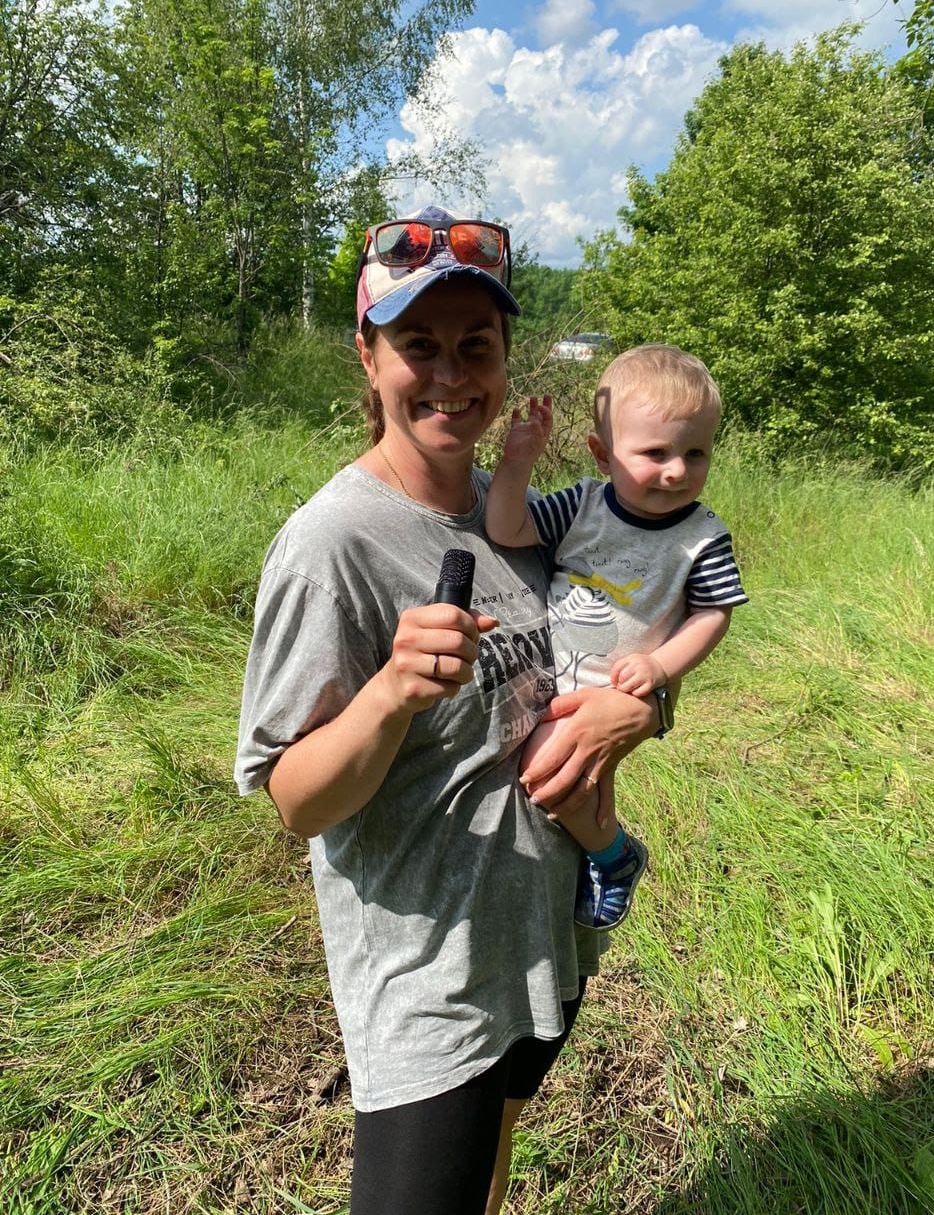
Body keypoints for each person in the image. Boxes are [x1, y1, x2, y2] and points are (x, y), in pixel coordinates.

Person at [233, 206, 663, 1215]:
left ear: (508, 358)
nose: (451, 374)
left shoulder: (519, 513)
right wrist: (388, 690)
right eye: (417, 344)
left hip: (542, 933)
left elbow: (610, 666)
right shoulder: (331, 543)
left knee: (494, 1155)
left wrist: (633, 712)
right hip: (430, 978)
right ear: (368, 355)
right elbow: (294, 799)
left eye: (478, 345)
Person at [485, 345, 748, 929]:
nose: (677, 470)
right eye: (655, 453)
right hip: (552, 683)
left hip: (620, 690)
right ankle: (600, 852)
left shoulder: (702, 536)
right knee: (569, 778)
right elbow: (506, 526)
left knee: (549, 770)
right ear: (603, 455)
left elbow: (713, 615)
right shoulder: (582, 506)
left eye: (695, 452)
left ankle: (613, 857)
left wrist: (660, 670)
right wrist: (517, 462)